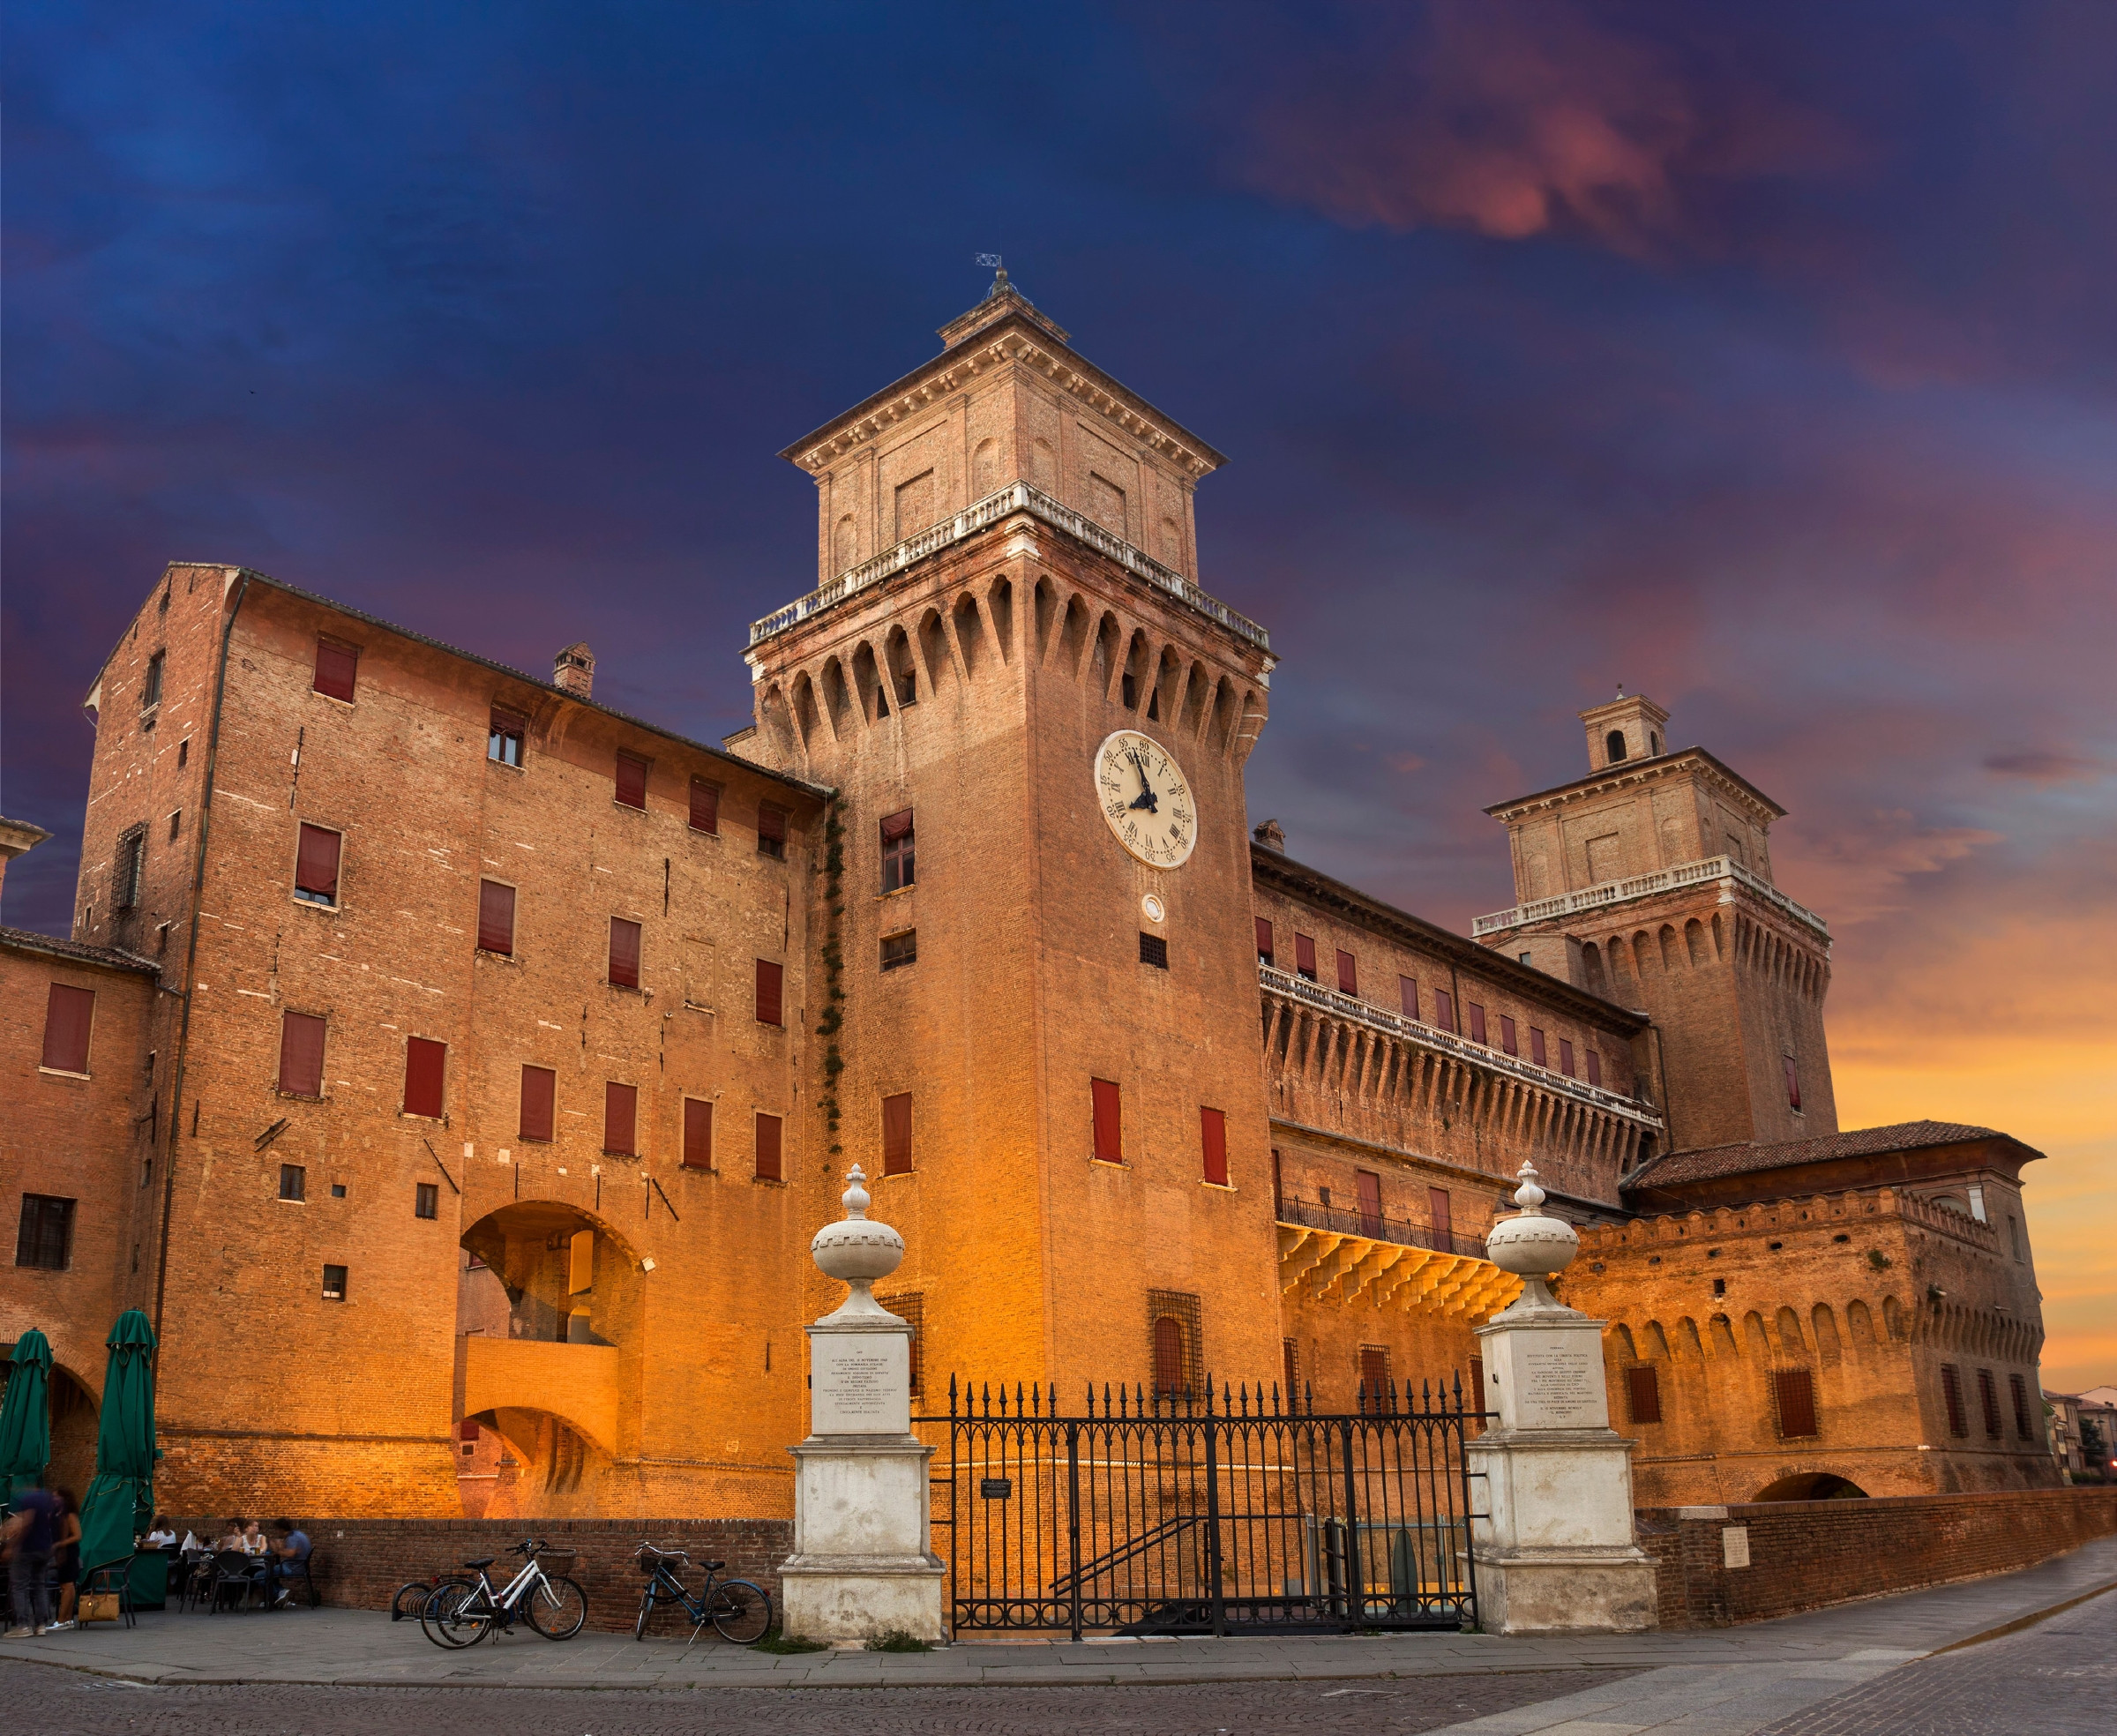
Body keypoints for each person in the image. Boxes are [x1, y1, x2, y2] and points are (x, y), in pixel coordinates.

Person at [3, 1475, 64, 1638]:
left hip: (27, 1549)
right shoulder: (49, 1499)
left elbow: (27, 1522)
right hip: (45, 1548)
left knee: (19, 1586)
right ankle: (41, 1624)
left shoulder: (30, 1499)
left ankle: (22, 1625)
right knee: (39, 1586)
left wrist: (11, 1546)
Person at [44, 1490, 81, 1630]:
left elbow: (77, 1535)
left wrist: (60, 1544)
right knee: (65, 1585)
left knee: (67, 1585)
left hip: (68, 1552)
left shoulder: (70, 1515)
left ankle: (62, 1619)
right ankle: (67, 1619)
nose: (53, 1498)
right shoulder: (56, 1514)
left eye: (56, 1496)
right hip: (61, 1553)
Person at [267, 1518, 311, 1609]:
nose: (276, 1532)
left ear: (281, 1529)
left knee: (259, 1575)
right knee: (271, 1573)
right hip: (302, 1567)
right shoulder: (298, 1534)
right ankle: (279, 1599)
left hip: (293, 1568)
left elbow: (290, 1553)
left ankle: (280, 1592)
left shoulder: (292, 1538)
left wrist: (277, 1550)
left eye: (276, 1529)